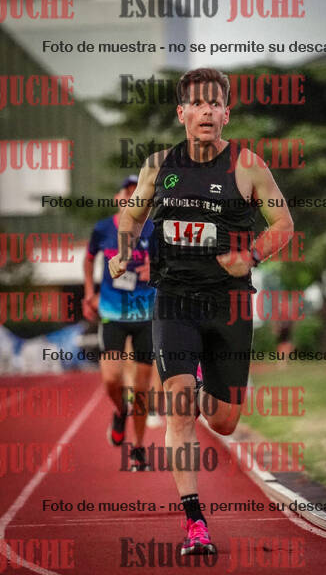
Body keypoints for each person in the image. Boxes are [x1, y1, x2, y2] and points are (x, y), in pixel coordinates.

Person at [109, 68, 294, 553]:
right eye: (198, 104)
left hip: (229, 304)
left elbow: (283, 224)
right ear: (182, 113)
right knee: (179, 402)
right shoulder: (158, 165)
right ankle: (195, 522)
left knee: (225, 421)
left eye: (215, 104)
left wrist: (251, 255)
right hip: (174, 300)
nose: (207, 111)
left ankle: (202, 383)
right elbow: (133, 214)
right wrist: (125, 249)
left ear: (226, 114)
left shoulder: (248, 165)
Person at [83, 175, 156, 469]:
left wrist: (155, 267)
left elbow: (170, 263)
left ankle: (138, 448)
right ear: (118, 198)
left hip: (146, 315)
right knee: (111, 380)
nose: (131, 198)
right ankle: (120, 411)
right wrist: (89, 292)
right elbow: (89, 258)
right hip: (112, 313)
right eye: (127, 193)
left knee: (141, 388)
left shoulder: (153, 228)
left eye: (137, 194)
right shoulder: (103, 229)